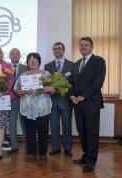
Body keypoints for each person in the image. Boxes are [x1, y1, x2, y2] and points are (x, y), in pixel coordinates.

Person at [70, 37, 106, 173]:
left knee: (91, 132)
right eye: (81, 45)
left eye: (86, 45)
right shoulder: (76, 64)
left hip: (91, 103)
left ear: (92, 47)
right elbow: (71, 83)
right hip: (77, 104)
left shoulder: (99, 61)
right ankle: (86, 156)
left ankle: (91, 161)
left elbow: (98, 82)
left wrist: (83, 96)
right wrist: (72, 96)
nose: (83, 47)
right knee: (81, 131)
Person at [14, 52, 55, 162]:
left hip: (43, 108)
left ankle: (42, 153)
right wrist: (24, 91)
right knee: (29, 131)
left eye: (35, 59)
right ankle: (31, 152)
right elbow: (16, 90)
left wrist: (49, 89)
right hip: (27, 109)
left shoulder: (46, 74)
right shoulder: (23, 75)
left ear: (39, 61)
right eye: (30, 59)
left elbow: (54, 89)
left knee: (43, 131)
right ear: (27, 62)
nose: (32, 61)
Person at [44, 42, 74, 157]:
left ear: (63, 50)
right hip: (52, 102)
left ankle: (68, 148)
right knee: (54, 126)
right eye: (54, 49)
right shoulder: (48, 66)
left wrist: (59, 89)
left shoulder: (72, 65)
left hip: (66, 101)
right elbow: (46, 82)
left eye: (59, 48)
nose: (57, 50)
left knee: (67, 125)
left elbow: (72, 83)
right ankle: (56, 147)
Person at [9, 48, 28, 152]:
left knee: (24, 123)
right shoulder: (5, 68)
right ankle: (14, 146)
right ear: (10, 56)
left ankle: (28, 145)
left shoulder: (26, 68)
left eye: (17, 54)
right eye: (13, 54)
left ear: (20, 56)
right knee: (12, 123)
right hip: (9, 99)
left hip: (23, 98)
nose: (15, 56)